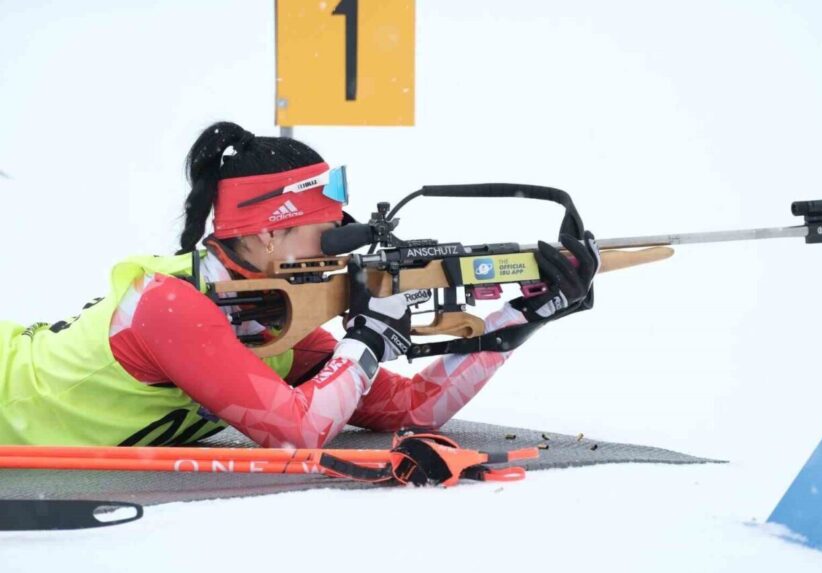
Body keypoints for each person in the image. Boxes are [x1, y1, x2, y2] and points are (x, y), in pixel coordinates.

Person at [0, 122, 600, 448]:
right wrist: (366, 338)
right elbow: (298, 431)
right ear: (265, 236)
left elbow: (412, 410)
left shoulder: (272, 311)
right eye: (326, 235)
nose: (340, 249)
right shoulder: (171, 306)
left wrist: (527, 312)